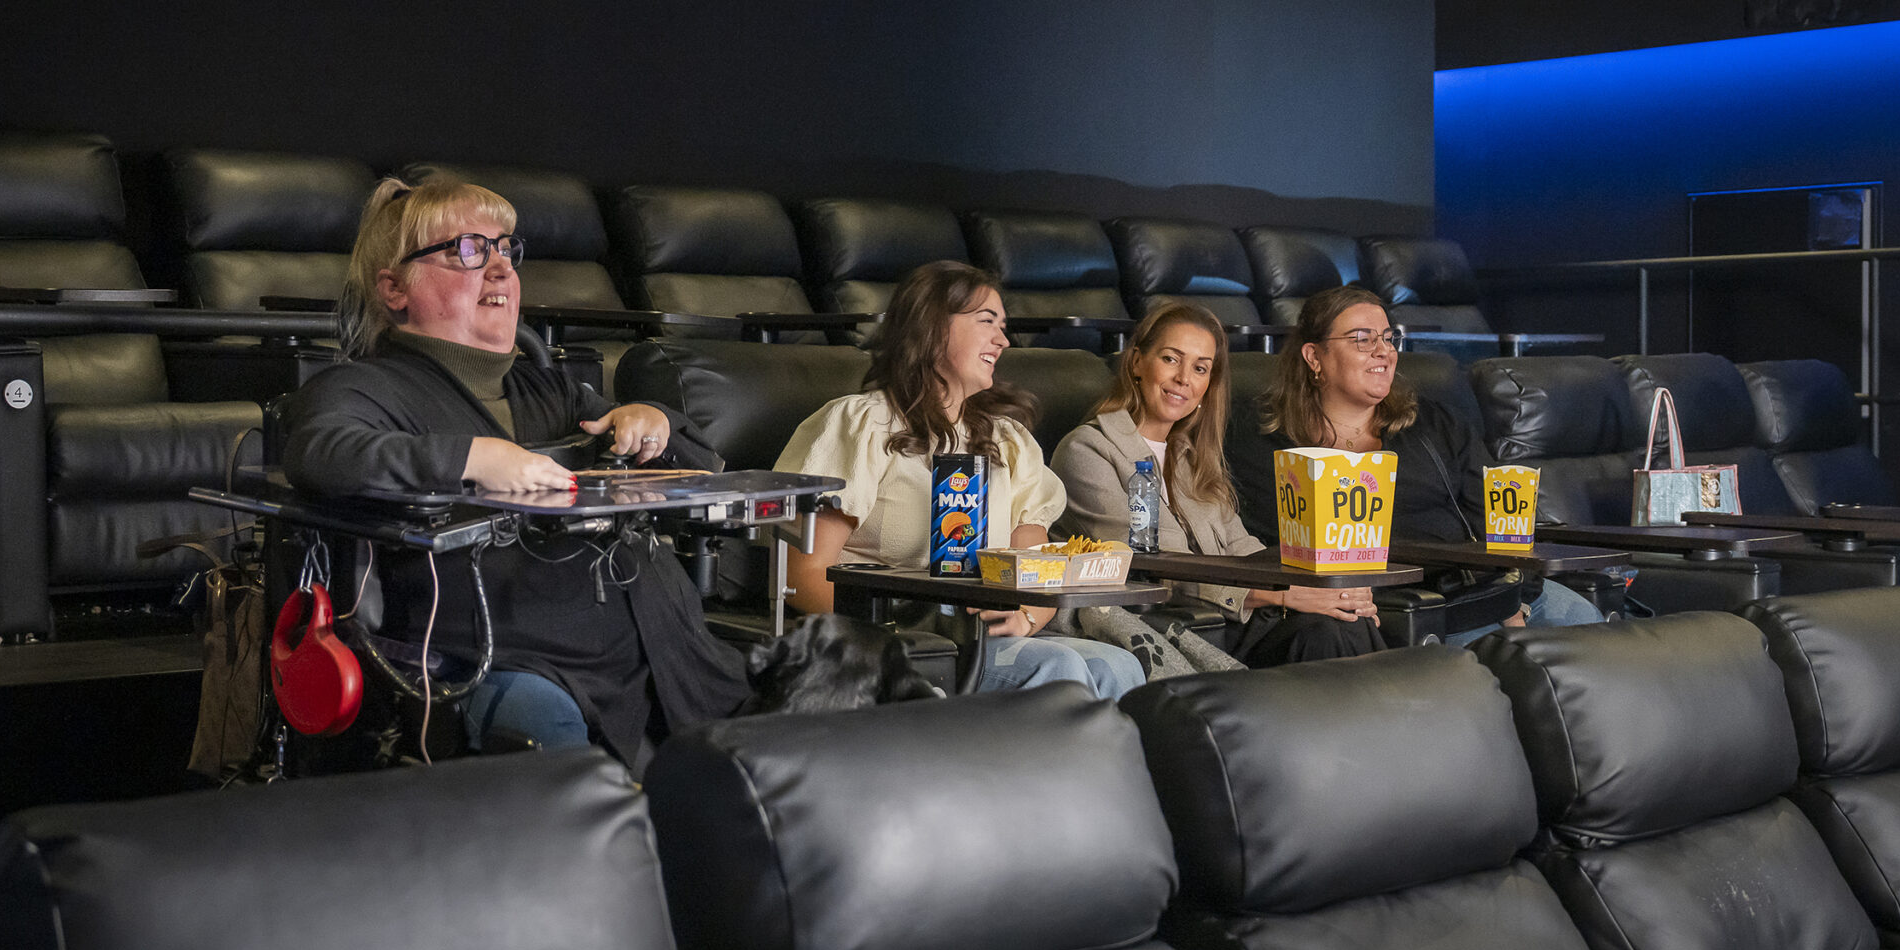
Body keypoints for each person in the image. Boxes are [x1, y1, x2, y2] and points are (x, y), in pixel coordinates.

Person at [283, 175, 747, 760]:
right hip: (513, 653)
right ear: (395, 288)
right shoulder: (361, 388)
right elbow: (320, 452)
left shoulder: (553, 391)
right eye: (467, 250)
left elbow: (702, 467)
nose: (501, 268)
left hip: (665, 644)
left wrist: (653, 422)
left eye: (505, 248)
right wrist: (474, 457)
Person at [776, 261, 1146, 702]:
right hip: (891, 634)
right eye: (987, 321)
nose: (1003, 340)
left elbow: (1034, 571)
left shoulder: (1008, 441)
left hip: (978, 632)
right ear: (932, 327)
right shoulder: (863, 424)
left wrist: (1025, 616)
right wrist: (893, 641)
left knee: (1118, 664)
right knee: (1056, 667)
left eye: (1003, 327)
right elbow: (802, 574)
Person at [1229, 283, 1605, 645]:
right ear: (1314, 357)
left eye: (1388, 338)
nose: (1384, 352)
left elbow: (1498, 520)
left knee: (1588, 628)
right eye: (1362, 339)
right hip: (1404, 609)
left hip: (1483, 590)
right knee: (1508, 661)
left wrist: (1514, 601)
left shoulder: (1436, 424)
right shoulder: (1263, 445)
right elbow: (1268, 547)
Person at [1054, 301, 1383, 667]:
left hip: (1230, 623)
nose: (1184, 378)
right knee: (1327, 632)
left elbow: (1242, 547)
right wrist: (1280, 595)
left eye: (1200, 368)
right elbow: (1146, 569)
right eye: (1170, 359)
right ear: (1136, 363)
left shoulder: (1192, 457)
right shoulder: (1087, 450)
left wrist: (1328, 589)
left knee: (1346, 617)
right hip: (1170, 630)